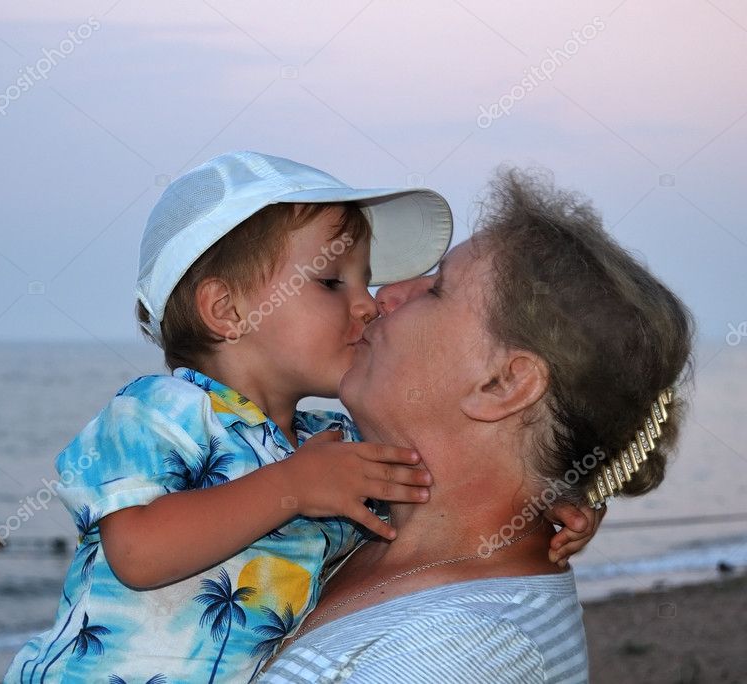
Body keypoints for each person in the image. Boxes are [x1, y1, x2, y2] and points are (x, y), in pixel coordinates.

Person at [4, 153, 594, 683]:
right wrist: (290, 488)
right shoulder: (160, 409)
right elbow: (136, 552)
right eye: (333, 282)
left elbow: (446, 481)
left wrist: (545, 498)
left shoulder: (325, 445)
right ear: (227, 310)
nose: (367, 303)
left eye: (365, 280)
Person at [259, 169, 693, 683]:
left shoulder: (459, 653)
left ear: (503, 385)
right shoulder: (350, 515)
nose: (385, 295)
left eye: (437, 289)